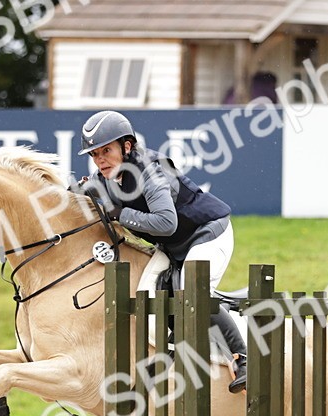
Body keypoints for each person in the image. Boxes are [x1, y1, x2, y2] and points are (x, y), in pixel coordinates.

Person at [76, 110, 247, 393]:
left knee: (193, 290)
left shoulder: (151, 171)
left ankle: (244, 358)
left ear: (127, 146)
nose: (100, 160)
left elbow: (167, 223)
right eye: (94, 154)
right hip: (176, 245)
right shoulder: (104, 177)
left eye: (106, 150)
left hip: (207, 233)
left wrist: (119, 213)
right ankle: (176, 347)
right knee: (158, 286)